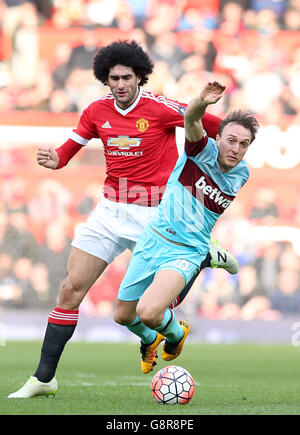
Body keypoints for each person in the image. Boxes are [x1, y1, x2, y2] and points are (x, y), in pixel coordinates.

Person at [8, 41, 237, 399]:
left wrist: (230, 148)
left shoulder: (160, 108)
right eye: (113, 78)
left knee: (151, 306)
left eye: (126, 77)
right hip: (110, 210)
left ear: (139, 77)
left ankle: (202, 257)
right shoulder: (96, 111)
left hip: (156, 214)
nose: (119, 84)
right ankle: (44, 378)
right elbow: (70, 148)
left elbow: (210, 123)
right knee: (70, 289)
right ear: (105, 79)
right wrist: (56, 157)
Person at [113, 81, 259, 374]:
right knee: (123, 315)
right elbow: (191, 118)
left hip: (186, 248)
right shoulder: (200, 151)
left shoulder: (242, 173)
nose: (236, 149)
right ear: (216, 138)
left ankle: (177, 334)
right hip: (154, 237)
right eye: (231, 140)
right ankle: (150, 341)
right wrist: (202, 101)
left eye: (244, 144)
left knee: (149, 311)